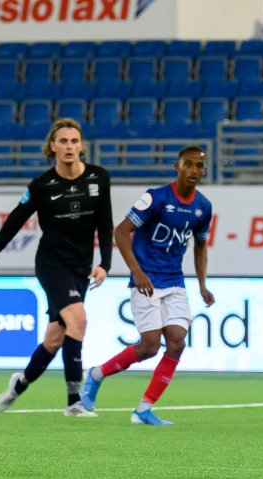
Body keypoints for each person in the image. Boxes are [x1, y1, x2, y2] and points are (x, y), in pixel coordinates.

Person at [0, 118, 113, 417]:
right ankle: (74, 402)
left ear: (81, 146)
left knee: (55, 339)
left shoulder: (98, 178)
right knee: (78, 321)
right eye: (63, 141)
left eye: (74, 141)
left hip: (81, 267)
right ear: (52, 146)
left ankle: (18, 385)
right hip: (51, 265)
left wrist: (105, 263)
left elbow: (105, 221)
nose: (69, 147)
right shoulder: (41, 186)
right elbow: (13, 222)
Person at [80, 144, 215, 426]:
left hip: (175, 283)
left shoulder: (203, 207)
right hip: (147, 281)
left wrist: (202, 284)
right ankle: (96, 374)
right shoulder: (155, 198)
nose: (194, 170)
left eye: (200, 166)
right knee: (150, 347)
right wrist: (136, 271)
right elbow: (121, 231)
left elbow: (200, 246)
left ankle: (144, 409)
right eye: (189, 164)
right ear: (177, 166)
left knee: (177, 343)